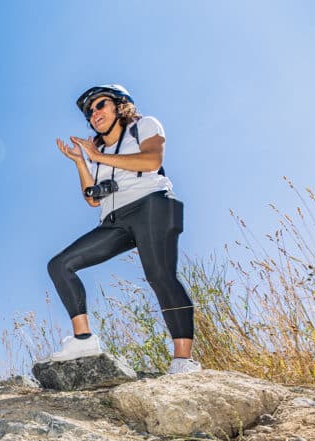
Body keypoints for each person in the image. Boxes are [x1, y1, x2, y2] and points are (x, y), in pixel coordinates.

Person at [50, 84, 201, 374]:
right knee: (59, 265)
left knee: (160, 275)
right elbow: (93, 198)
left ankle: (184, 361)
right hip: (115, 220)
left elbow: (152, 160)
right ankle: (84, 339)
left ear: (120, 105)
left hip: (152, 205)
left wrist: (97, 156)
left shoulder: (143, 126)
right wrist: (82, 162)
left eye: (100, 105)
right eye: (89, 112)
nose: (93, 113)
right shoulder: (98, 151)